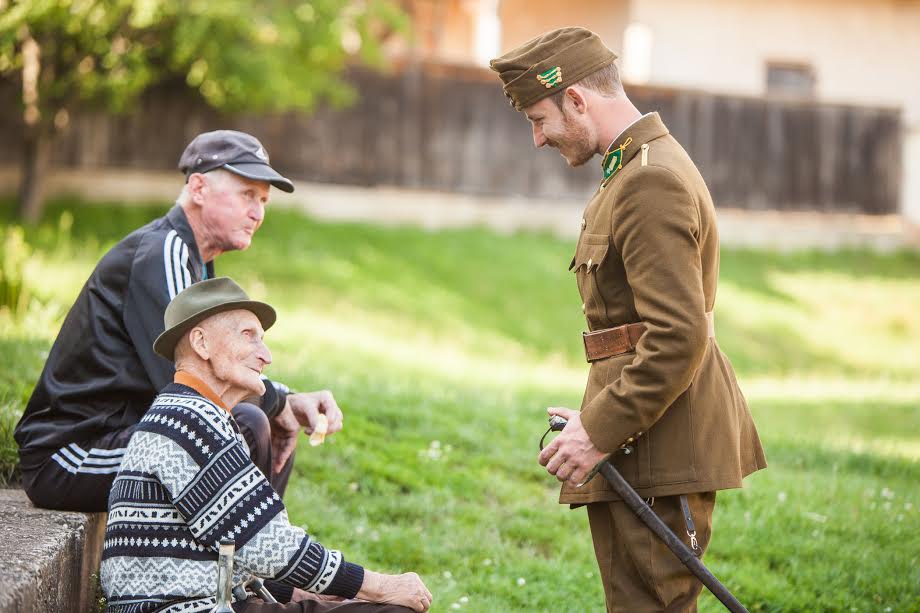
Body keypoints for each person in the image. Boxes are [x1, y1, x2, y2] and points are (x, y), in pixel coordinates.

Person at [490, 27, 767, 611]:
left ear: (577, 100)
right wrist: (596, 415)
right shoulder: (634, 169)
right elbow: (633, 329)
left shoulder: (648, 180)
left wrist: (599, 429)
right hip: (647, 434)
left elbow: (676, 337)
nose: (538, 139)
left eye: (539, 119)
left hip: (662, 441)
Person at [14, 130, 339, 512]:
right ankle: (241, 564)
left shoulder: (195, 261)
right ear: (198, 188)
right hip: (70, 457)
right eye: (247, 195)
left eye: (264, 200)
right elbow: (196, 374)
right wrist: (280, 401)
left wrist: (283, 402)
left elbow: (217, 375)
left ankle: (247, 567)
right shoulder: (162, 251)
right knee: (244, 426)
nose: (258, 212)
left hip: (121, 436)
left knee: (252, 420)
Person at [101, 276, 433, 613]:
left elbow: (233, 549)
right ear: (201, 343)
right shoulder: (191, 422)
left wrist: (302, 593)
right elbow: (268, 546)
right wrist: (379, 586)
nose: (267, 356)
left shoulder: (188, 414)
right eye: (250, 337)